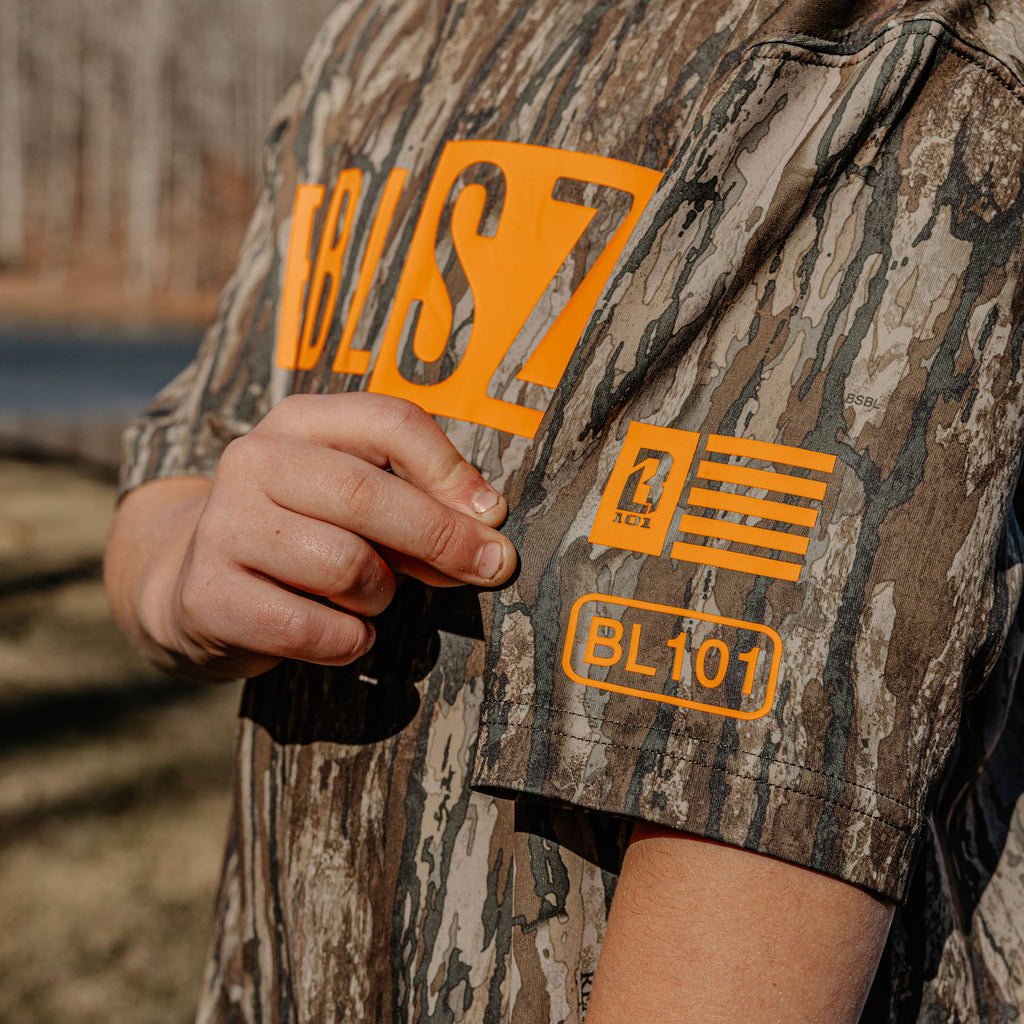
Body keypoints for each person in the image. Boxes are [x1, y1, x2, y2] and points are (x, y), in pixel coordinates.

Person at [105, 0, 1024, 1020]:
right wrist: (189, 572)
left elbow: (751, 799)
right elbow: (181, 471)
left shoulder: (908, 43)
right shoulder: (381, 31)